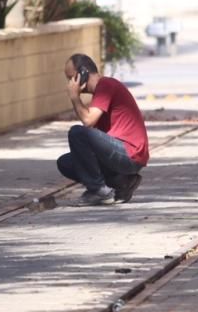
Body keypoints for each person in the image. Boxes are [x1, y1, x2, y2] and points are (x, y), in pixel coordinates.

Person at [58, 53, 149, 206]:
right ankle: (123, 182)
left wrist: (74, 97)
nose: (70, 84)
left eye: (71, 78)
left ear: (83, 73)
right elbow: (90, 145)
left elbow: (87, 121)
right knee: (65, 163)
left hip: (130, 153)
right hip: (119, 155)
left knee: (77, 132)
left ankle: (100, 191)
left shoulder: (106, 86)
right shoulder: (99, 95)